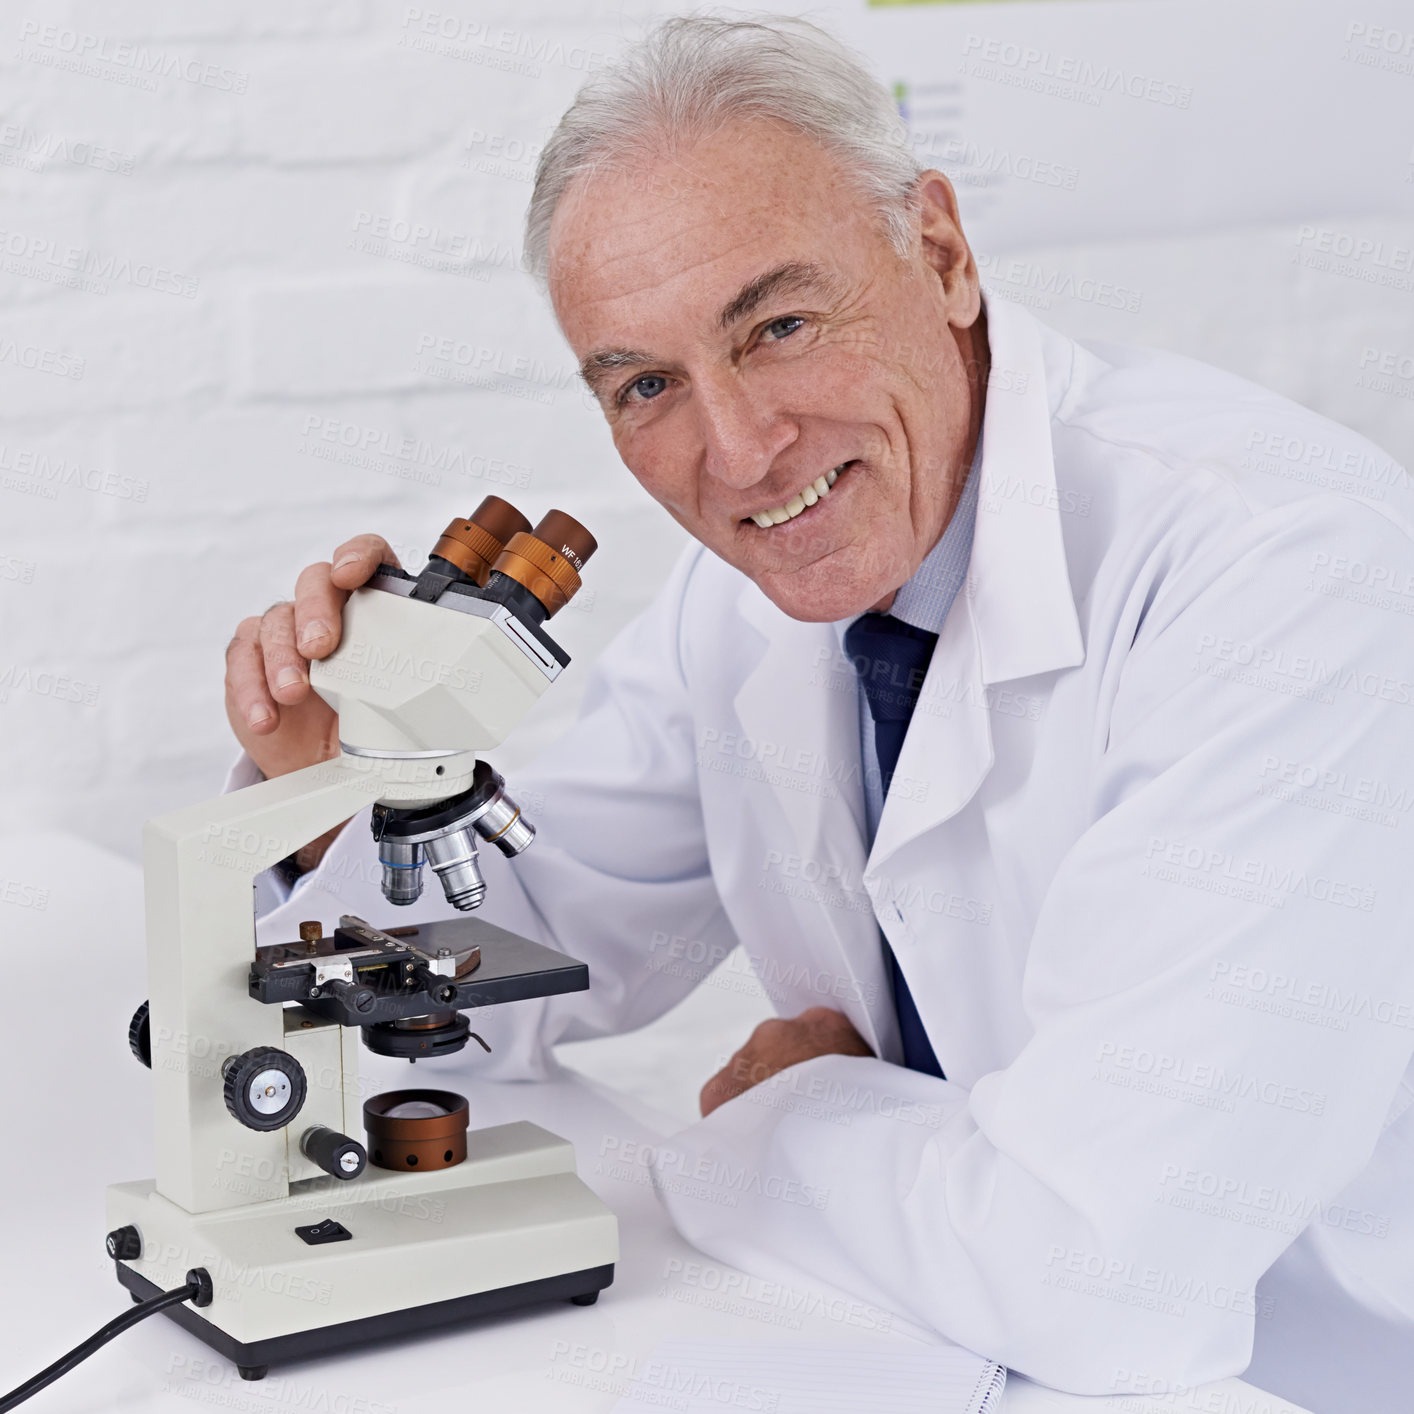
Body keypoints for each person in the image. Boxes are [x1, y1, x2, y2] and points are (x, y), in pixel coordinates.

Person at [221, 17, 1414, 1412]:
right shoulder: (742, 598)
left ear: (943, 257)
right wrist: (314, 792)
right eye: (645, 384)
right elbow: (491, 981)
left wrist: (781, 1117)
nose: (736, 451)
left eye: (778, 325)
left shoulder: (1284, 573)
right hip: (913, 1343)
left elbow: (1105, 1271)